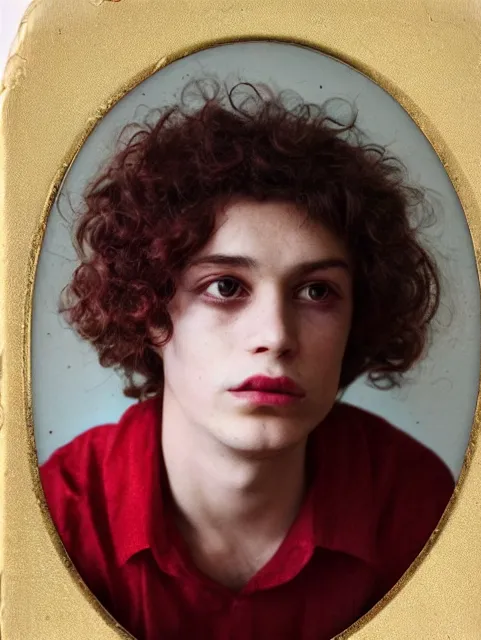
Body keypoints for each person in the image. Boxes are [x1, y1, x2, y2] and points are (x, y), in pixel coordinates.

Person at [40, 79, 455, 640]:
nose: (276, 336)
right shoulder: (53, 518)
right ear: (150, 312)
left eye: (316, 292)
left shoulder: (419, 506)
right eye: (227, 286)